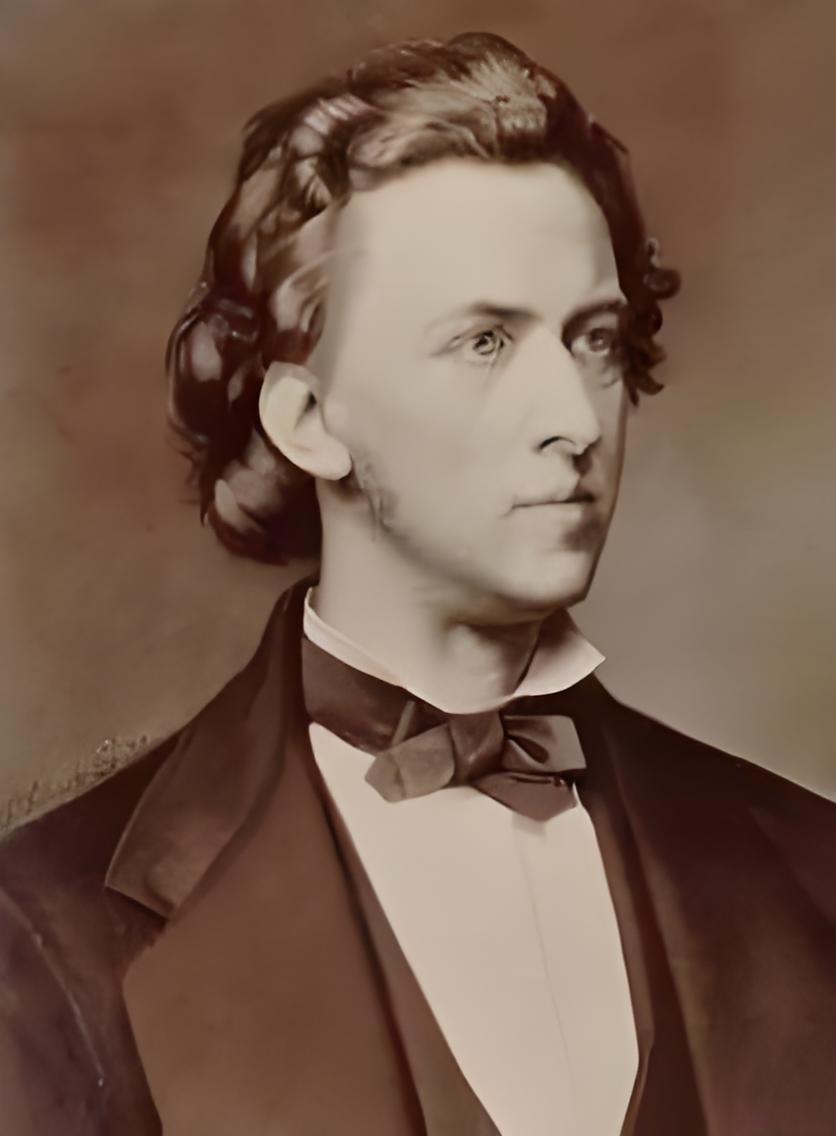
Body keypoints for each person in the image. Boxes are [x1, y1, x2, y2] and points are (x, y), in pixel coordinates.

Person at [1, 31, 834, 1136]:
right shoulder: (41, 930)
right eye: (484, 342)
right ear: (309, 419)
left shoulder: (808, 866)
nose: (575, 419)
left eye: (594, 340)